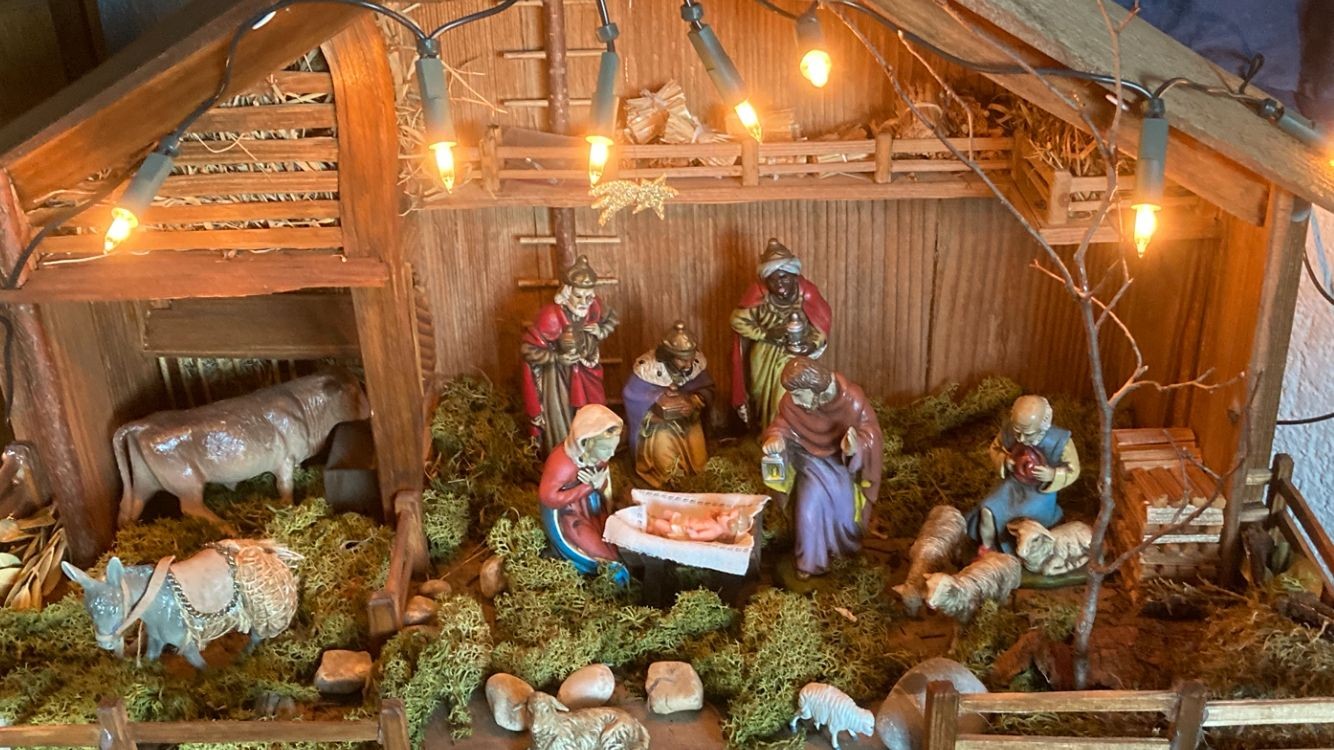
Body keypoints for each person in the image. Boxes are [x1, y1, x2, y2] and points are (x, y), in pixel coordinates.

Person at [761, 357, 882, 578]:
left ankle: (844, 555)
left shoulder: (852, 400)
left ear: (814, 388)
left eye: (799, 394)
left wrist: (856, 445)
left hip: (841, 464)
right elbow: (781, 426)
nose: (794, 400)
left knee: (846, 516)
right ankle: (809, 563)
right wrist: (775, 438)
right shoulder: (791, 403)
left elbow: (870, 432)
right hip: (809, 463)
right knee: (808, 510)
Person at [520, 255, 619, 454]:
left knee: (594, 412)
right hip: (558, 379)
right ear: (567, 293)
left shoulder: (594, 306)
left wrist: (600, 331)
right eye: (579, 296)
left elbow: (611, 319)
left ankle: (593, 455)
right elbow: (528, 350)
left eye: (588, 297)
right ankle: (565, 457)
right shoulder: (550, 316)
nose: (584, 302)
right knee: (563, 419)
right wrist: (556, 358)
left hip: (588, 372)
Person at [730, 238, 832, 429]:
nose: (779, 284)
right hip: (764, 352)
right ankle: (765, 431)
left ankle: (785, 432)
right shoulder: (759, 293)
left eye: (784, 277)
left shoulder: (806, 293)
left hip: (793, 353)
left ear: (794, 276)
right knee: (759, 391)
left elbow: (821, 324)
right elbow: (737, 320)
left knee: (785, 390)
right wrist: (765, 334)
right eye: (773, 279)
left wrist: (811, 344)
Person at [966, 395, 1081, 553]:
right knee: (988, 509)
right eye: (1017, 432)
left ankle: (1023, 552)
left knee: (1026, 522)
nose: (1021, 438)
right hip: (1013, 485)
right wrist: (1004, 460)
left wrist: (1053, 475)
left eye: (1028, 434)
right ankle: (987, 547)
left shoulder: (1060, 442)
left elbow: (1073, 469)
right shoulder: (1009, 432)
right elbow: (995, 448)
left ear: (1043, 425)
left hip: (1040, 491)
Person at [538, 404, 628, 583]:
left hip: (594, 509)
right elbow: (548, 498)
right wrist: (586, 488)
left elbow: (603, 484)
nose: (611, 454)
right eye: (606, 449)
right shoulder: (562, 464)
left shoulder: (600, 457)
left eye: (613, 448)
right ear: (586, 443)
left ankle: (616, 568)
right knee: (600, 553)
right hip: (568, 516)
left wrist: (599, 485)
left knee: (613, 543)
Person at [621, 321, 715, 488]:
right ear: (668, 356)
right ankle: (671, 480)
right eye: (682, 360)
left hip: (688, 421)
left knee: (699, 462)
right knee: (667, 463)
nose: (688, 365)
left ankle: (693, 480)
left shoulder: (695, 367)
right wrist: (656, 400)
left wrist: (694, 401)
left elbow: (707, 389)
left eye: (690, 359)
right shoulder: (647, 370)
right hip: (658, 428)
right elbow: (632, 397)